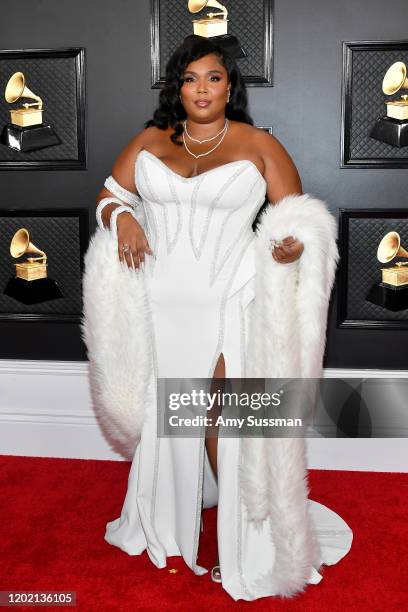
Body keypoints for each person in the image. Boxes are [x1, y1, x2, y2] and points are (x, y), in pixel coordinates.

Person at [88, 35, 353, 602]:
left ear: (231, 85)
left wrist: (291, 248)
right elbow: (109, 195)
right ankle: (169, 522)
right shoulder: (152, 139)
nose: (201, 89)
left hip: (231, 300)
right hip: (159, 304)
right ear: (176, 88)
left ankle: (252, 539)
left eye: (212, 78)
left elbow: (298, 219)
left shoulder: (258, 144)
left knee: (221, 416)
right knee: (172, 414)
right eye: (190, 79)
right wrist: (123, 219)